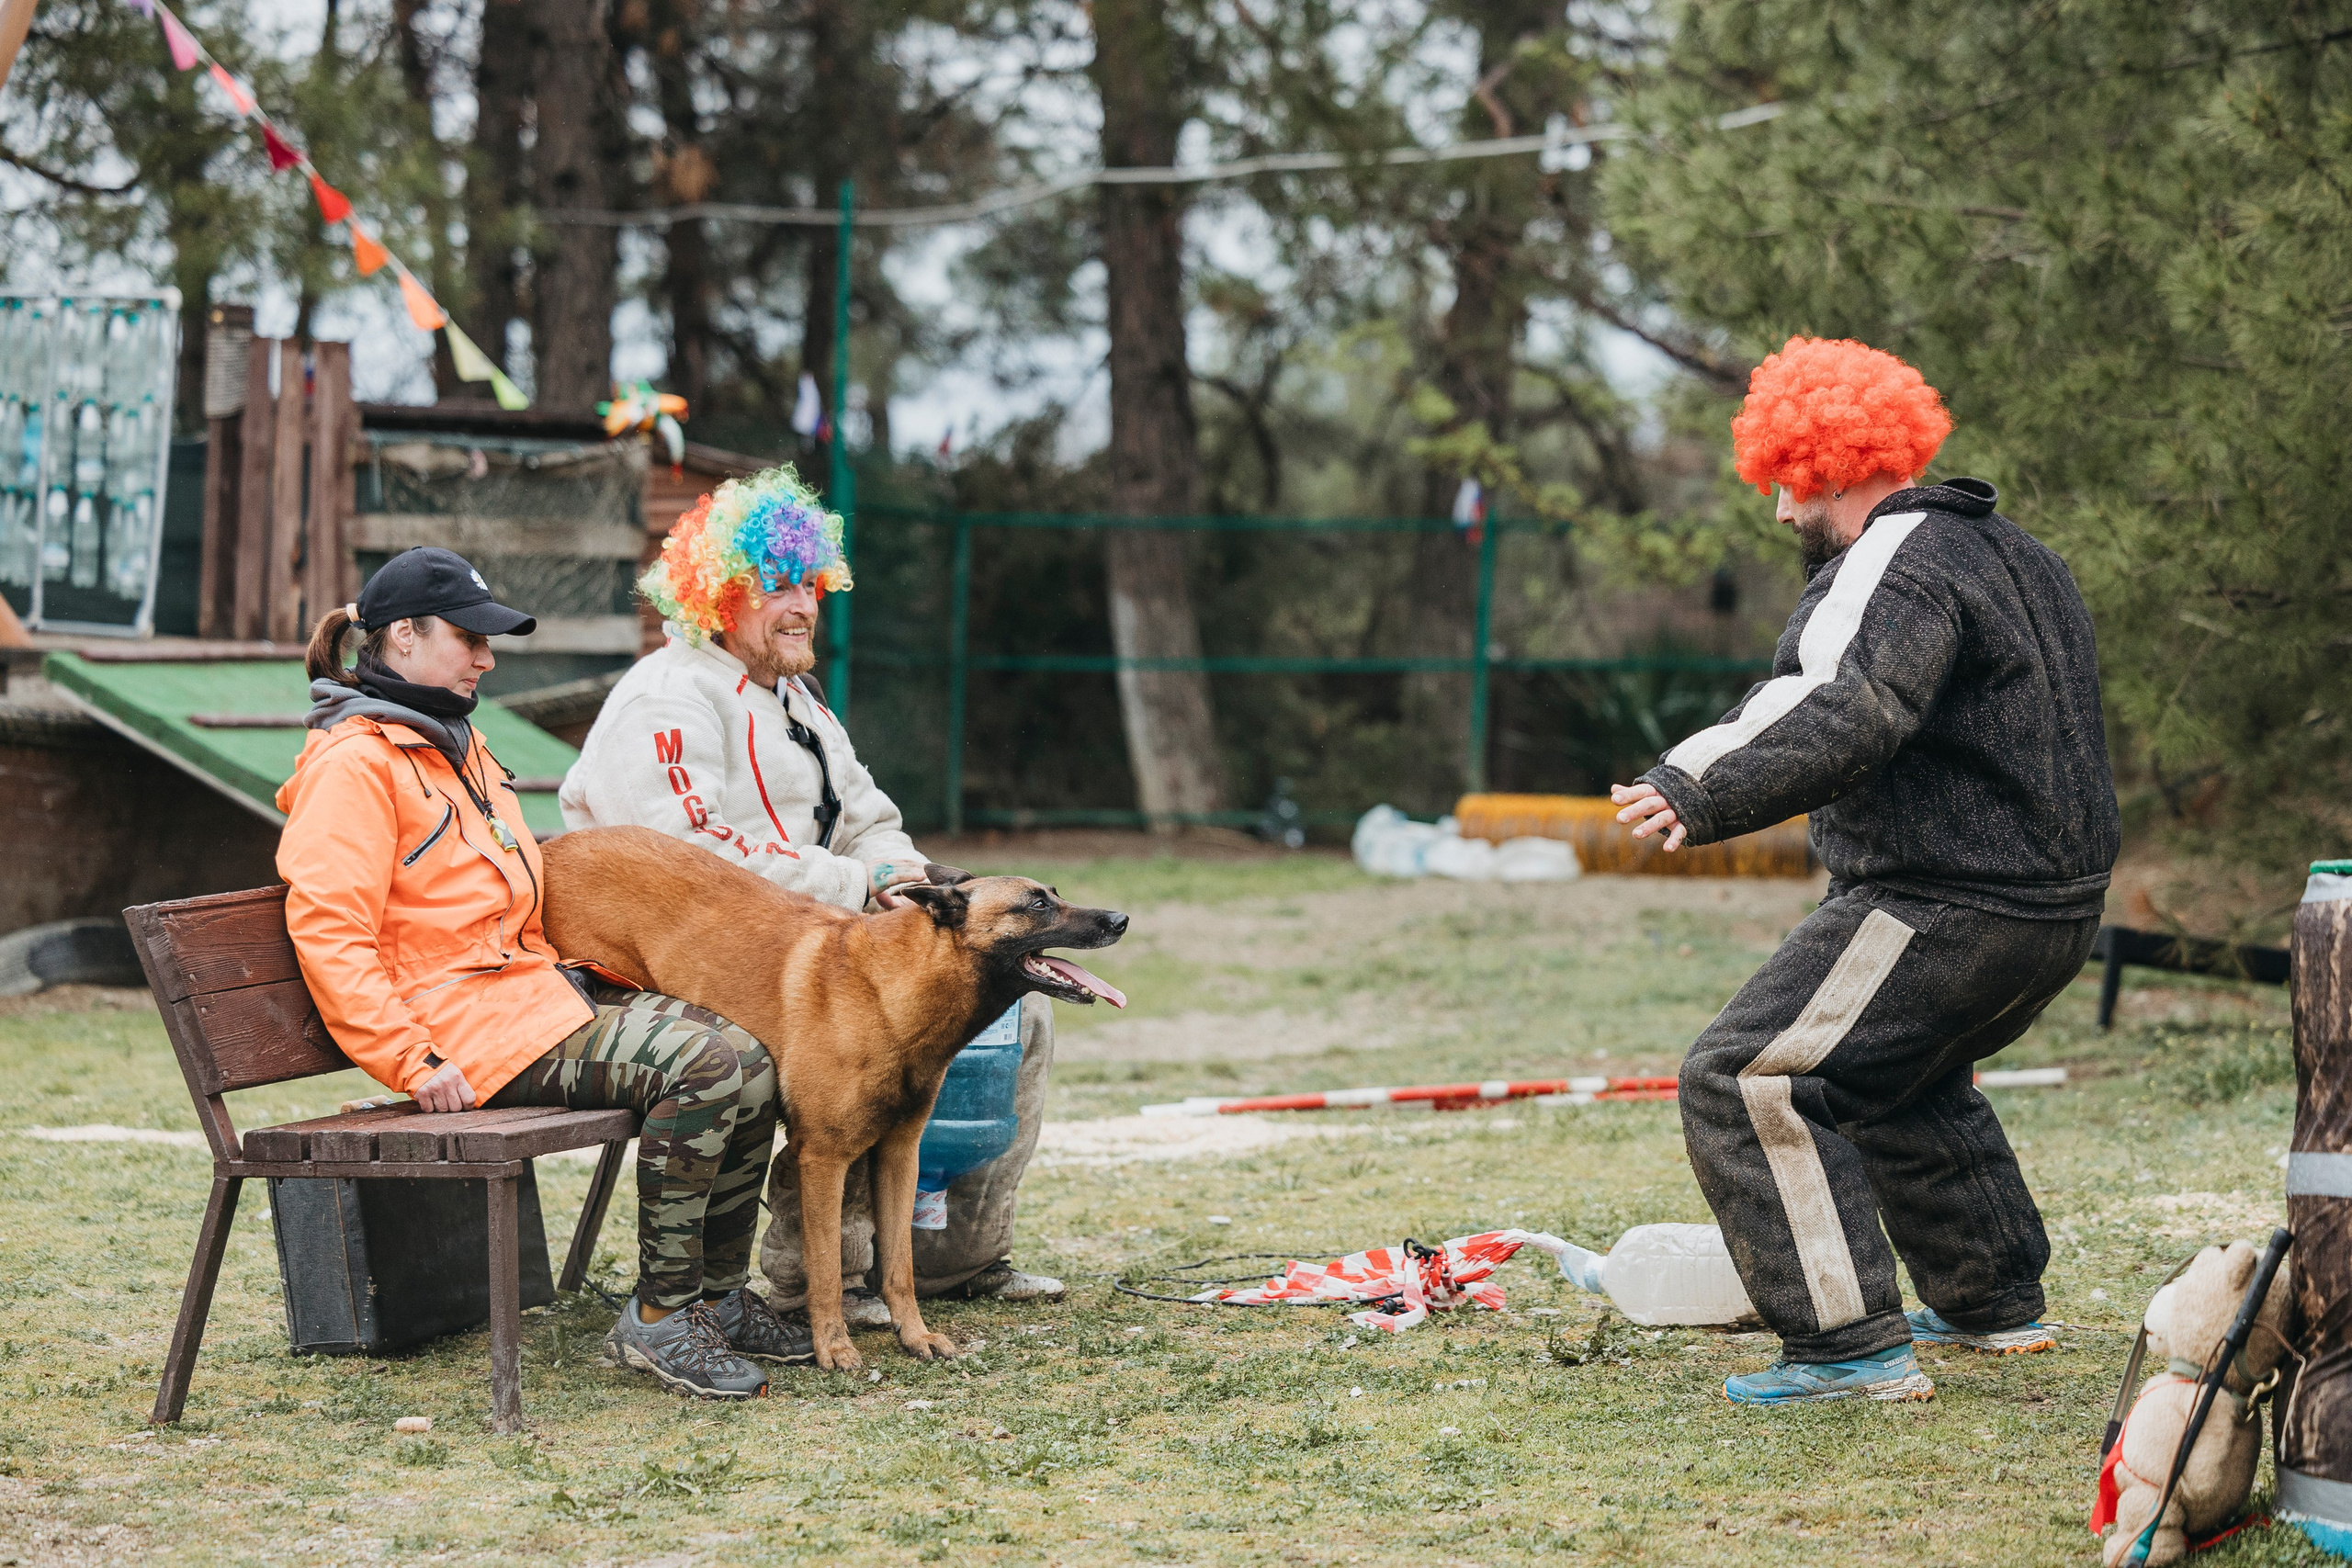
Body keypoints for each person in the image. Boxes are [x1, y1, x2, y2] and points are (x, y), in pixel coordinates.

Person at [1610, 337, 2119, 1406]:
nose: (1780, 512)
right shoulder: (2017, 553)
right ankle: (1990, 1306)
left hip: (1947, 900)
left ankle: (1846, 1350)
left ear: (1830, 462)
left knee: (1747, 1077)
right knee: (1893, 1074)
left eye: (1783, 482)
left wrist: (1695, 781)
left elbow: (1843, 696)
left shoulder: (1895, 557)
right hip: (2052, 909)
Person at [276, 545, 815, 1402]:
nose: (487, 659)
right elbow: (329, 931)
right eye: (469, 638)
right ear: (402, 638)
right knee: (709, 1064)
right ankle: (660, 1318)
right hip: (460, 1035)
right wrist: (411, 1061)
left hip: (525, 1001)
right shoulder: (355, 763)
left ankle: (714, 1297)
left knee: (751, 1054)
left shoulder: (456, 745)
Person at [560, 465, 1064, 1325]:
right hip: (691, 956)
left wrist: (907, 888)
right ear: (718, 592)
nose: (802, 606)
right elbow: (686, 854)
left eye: (811, 586)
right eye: (777, 587)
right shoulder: (668, 694)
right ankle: (813, 1279)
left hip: (827, 930)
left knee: (1018, 1011)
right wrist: (855, 884)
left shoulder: (798, 698)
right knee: (853, 1036)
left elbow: (873, 817)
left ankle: (959, 1257)